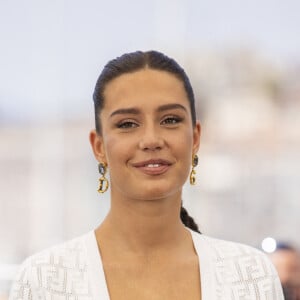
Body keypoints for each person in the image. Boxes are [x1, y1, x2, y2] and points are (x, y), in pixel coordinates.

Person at [9, 50, 284, 299]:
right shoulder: (43, 281)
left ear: (196, 137)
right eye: (127, 124)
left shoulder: (251, 277)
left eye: (170, 120)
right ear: (98, 146)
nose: (151, 139)